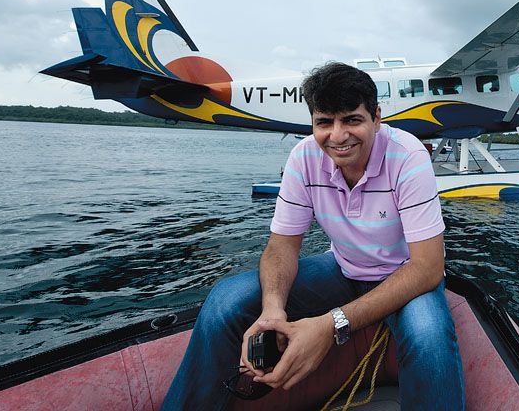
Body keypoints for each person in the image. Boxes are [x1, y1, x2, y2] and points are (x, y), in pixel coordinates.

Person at [162, 62, 464, 410]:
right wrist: (273, 311)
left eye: (352, 119)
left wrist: (332, 325)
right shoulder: (304, 157)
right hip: (344, 268)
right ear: (313, 123)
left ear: (376, 118)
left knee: (429, 336)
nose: (337, 136)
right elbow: (281, 246)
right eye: (324, 122)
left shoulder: (408, 156)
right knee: (226, 301)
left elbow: (427, 268)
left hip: (405, 276)